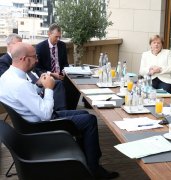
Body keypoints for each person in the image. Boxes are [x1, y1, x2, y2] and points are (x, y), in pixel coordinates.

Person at [0, 42, 119, 179]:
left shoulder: (7, 77)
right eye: (34, 57)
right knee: (90, 120)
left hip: (29, 123)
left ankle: (84, 164)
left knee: (84, 114)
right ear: (23, 59)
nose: (37, 60)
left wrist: (39, 85)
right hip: (40, 127)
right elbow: (45, 114)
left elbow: (27, 97)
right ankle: (93, 168)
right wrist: (49, 88)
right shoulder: (19, 85)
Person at [0, 33, 66, 111]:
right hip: (30, 95)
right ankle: (61, 115)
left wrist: (39, 83)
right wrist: (48, 89)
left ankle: (62, 111)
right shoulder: (5, 63)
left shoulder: (23, 61)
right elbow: (18, 87)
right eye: (17, 44)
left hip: (34, 86)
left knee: (59, 83)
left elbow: (36, 70)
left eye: (21, 44)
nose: (20, 46)